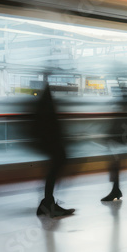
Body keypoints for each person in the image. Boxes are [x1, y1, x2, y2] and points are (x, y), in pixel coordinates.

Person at [31, 81, 74, 218]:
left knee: (53, 171)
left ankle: (46, 203)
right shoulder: (47, 107)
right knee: (55, 169)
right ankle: (48, 204)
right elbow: (52, 127)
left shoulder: (42, 105)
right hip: (53, 144)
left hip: (48, 144)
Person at [102, 82, 127, 201]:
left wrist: (109, 135)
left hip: (120, 138)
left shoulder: (124, 105)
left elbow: (120, 122)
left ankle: (115, 190)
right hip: (122, 138)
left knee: (114, 163)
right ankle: (115, 189)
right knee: (115, 163)